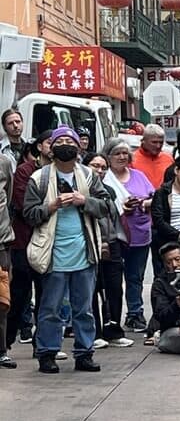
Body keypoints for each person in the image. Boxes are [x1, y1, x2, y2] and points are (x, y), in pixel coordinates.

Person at [22, 126, 111, 373]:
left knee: (84, 308)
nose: (64, 144)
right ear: (50, 148)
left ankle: (84, 353)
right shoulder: (39, 179)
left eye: (68, 140)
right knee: (50, 308)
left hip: (84, 251)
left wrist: (85, 202)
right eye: (58, 140)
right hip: (52, 253)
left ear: (77, 147)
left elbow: (106, 206)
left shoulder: (88, 175)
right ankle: (47, 353)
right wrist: (50, 207)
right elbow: (28, 214)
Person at [103, 138, 155, 333]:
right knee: (113, 279)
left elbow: (154, 197)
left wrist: (142, 203)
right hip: (115, 235)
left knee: (135, 277)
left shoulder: (139, 175)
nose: (122, 157)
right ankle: (110, 317)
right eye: (117, 153)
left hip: (140, 233)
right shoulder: (105, 178)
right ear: (108, 157)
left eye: (125, 153)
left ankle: (135, 313)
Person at [6, 131, 50, 350]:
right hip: (23, 240)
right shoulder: (25, 171)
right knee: (19, 295)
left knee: (46, 298)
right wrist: (49, 207)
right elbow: (25, 206)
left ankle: (41, 344)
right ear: (39, 146)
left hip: (47, 241)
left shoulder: (60, 172)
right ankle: (6, 342)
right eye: (50, 143)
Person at [83, 153, 132, 349]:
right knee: (92, 290)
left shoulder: (110, 191)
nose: (99, 171)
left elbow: (115, 219)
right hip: (90, 243)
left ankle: (113, 330)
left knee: (114, 288)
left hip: (113, 243)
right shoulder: (81, 190)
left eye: (103, 167)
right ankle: (94, 332)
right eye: (95, 166)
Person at [133, 124, 174, 191]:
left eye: (161, 142)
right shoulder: (132, 159)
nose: (158, 146)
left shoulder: (168, 159)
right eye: (154, 142)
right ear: (143, 141)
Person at [0, 167, 13, 368]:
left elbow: (8, 200)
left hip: (1, 243)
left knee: (1, 300)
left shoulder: (3, 163)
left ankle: (1, 351)